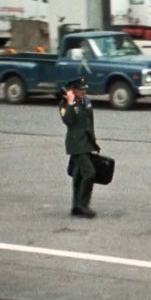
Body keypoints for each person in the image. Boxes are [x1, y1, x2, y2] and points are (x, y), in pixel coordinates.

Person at [59, 77, 100, 218]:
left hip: (86, 143)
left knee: (78, 176)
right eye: (81, 89)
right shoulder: (66, 104)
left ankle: (76, 206)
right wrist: (70, 102)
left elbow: (89, 123)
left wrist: (93, 142)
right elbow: (69, 121)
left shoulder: (86, 102)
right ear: (73, 90)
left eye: (84, 89)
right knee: (90, 173)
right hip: (76, 144)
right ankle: (83, 205)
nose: (84, 91)